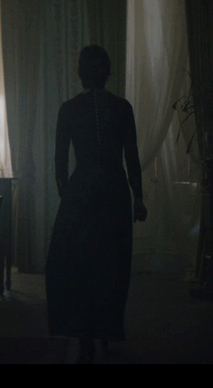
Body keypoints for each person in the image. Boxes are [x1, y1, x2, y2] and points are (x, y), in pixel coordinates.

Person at [45, 45, 148, 364]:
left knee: (78, 265)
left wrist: (68, 194)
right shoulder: (121, 107)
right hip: (114, 190)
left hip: (82, 191)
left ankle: (85, 334)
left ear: (80, 73)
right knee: (111, 264)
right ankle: (106, 327)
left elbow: (60, 162)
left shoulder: (69, 109)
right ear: (107, 72)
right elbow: (131, 156)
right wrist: (138, 196)